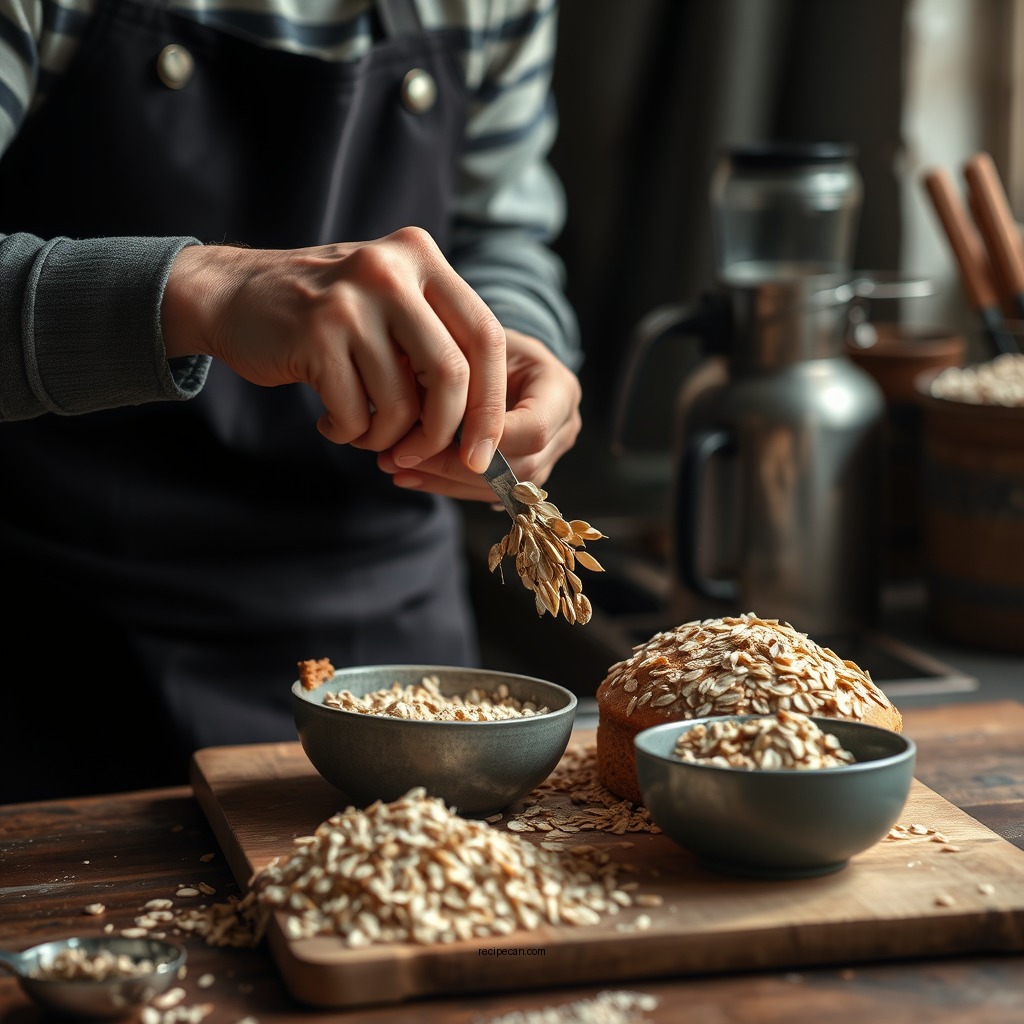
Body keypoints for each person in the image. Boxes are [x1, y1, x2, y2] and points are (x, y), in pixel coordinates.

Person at [0, 0, 582, 803]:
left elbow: (498, 231)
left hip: (387, 620)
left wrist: (511, 336)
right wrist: (205, 291)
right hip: (58, 638)